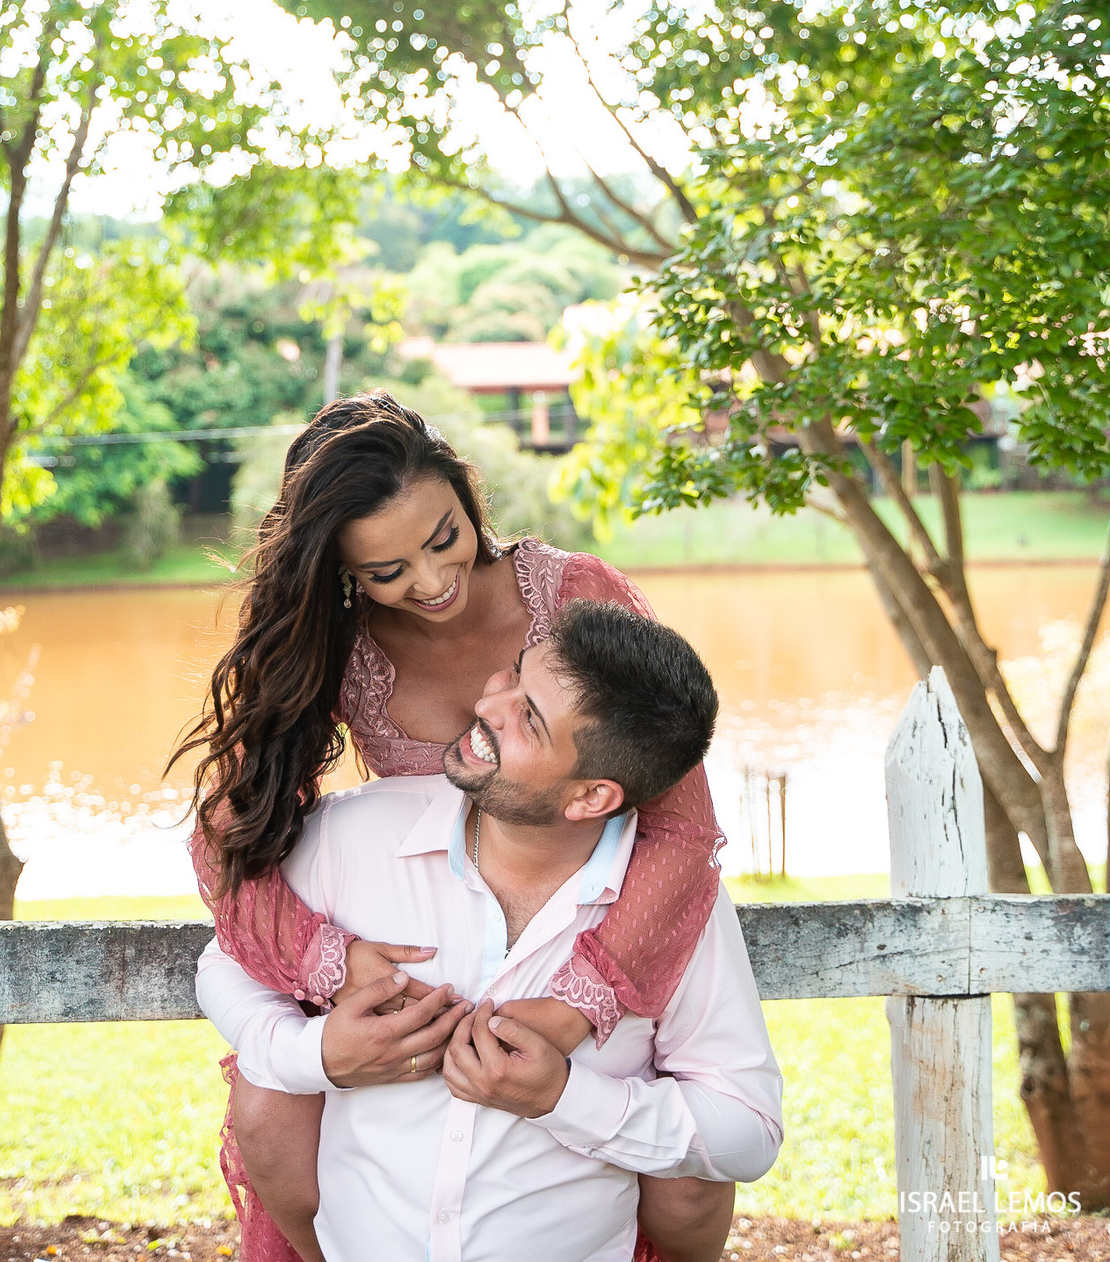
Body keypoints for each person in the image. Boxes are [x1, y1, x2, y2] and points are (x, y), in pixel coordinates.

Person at [173, 392, 729, 1262]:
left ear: (466, 501)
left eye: (443, 539)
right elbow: (229, 835)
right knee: (268, 1108)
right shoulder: (336, 642)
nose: (432, 583)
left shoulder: (573, 593)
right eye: (387, 570)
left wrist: (581, 1001)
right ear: (342, 573)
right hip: (417, 931)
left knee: (681, 1167)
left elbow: (683, 827)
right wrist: (335, 961)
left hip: (573, 928)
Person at [197, 600, 783, 1262]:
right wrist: (318, 1054)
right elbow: (226, 963)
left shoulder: (676, 912)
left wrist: (564, 1096)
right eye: (512, 674)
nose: (488, 703)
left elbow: (748, 1128)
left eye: (527, 717)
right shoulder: (354, 834)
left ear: (590, 797)